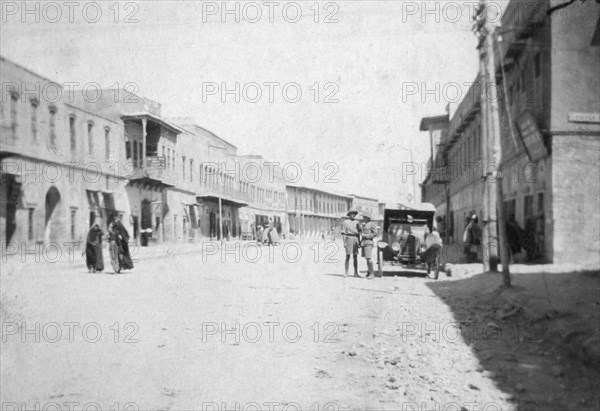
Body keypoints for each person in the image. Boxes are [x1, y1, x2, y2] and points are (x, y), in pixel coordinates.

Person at [341, 209, 361, 278]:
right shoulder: (345, 222)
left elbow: (359, 232)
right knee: (348, 256)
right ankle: (346, 272)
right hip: (348, 238)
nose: (353, 215)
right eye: (351, 214)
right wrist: (344, 242)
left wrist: (359, 241)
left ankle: (356, 272)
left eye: (354, 214)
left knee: (355, 256)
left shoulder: (357, 222)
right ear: (349, 214)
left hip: (355, 238)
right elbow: (343, 233)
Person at [361, 211, 378, 279]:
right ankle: (368, 273)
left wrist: (366, 235)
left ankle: (372, 274)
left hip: (369, 242)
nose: (363, 218)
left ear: (368, 217)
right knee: (366, 258)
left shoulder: (372, 224)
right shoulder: (365, 224)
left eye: (364, 217)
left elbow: (375, 234)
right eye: (363, 217)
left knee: (369, 258)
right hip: (364, 243)